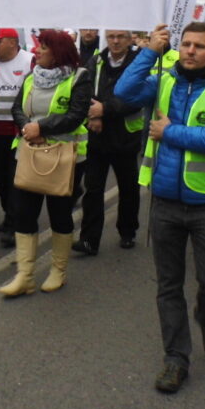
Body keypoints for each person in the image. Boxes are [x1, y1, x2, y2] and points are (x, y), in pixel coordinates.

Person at [115, 22, 205, 394]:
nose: (190, 51)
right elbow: (123, 92)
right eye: (185, 44)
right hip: (165, 202)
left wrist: (168, 131)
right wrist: (150, 52)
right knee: (169, 285)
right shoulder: (164, 80)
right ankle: (176, 358)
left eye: (199, 46)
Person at [0, 29, 90, 297]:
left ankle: (58, 271)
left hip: (65, 157)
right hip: (29, 153)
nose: (37, 51)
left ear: (58, 53)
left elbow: (76, 115)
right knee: (24, 213)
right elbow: (17, 108)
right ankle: (25, 276)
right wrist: (27, 127)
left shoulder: (79, 78)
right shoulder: (32, 76)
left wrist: (41, 128)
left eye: (44, 48)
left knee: (60, 214)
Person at [74, 29, 144, 255]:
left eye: (120, 37)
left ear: (129, 39)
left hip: (125, 138)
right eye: (111, 36)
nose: (115, 41)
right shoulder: (96, 61)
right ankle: (89, 240)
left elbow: (137, 98)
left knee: (128, 188)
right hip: (98, 137)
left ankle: (127, 231)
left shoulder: (138, 63)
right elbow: (84, 90)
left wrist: (104, 110)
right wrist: (93, 114)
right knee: (93, 190)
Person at [0, 28, 34, 247]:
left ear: (12, 42)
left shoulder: (29, 61)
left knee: (14, 180)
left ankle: (15, 223)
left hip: (19, 132)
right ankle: (10, 213)